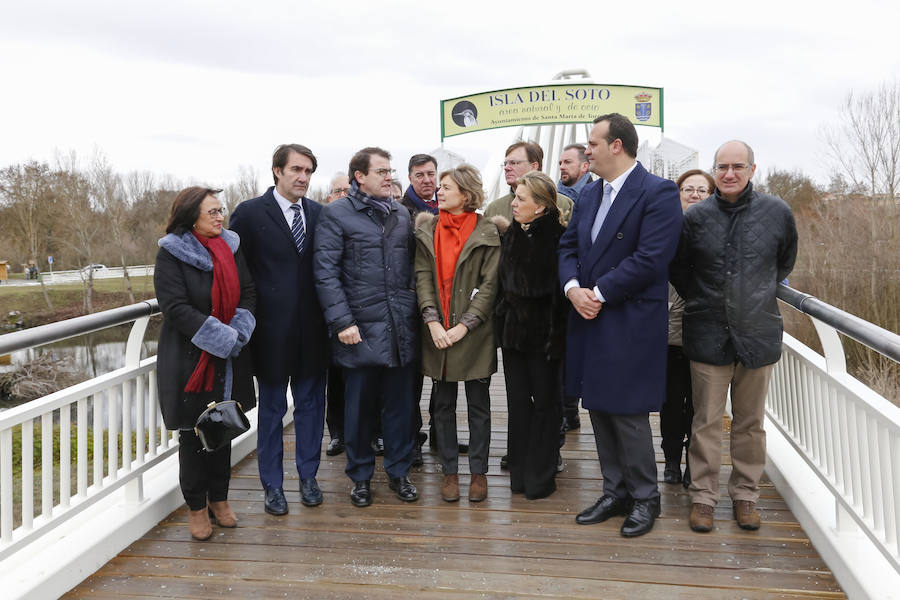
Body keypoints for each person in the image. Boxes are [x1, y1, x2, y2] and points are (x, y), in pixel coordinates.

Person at [558, 113, 682, 537]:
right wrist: (573, 288)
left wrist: (599, 293)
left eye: (592, 143)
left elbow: (651, 258)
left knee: (627, 413)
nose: (585, 150)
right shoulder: (589, 195)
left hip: (627, 317)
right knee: (597, 407)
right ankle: (615, 491)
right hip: (588, 316)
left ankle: (646, 498)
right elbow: (569, 246)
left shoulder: (658, 192)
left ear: (617, 145)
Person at [671, 141, 797, 533]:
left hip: (757, 331)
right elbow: (680, 270)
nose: (729, 173)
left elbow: (784, 260)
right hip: (708, 330)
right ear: (714, 170)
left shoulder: (776, 212)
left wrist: (752, 296)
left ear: (752, 169)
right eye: (722, 166)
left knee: (750, 422)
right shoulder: (696, 218)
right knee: (706, 419)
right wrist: (709, 300)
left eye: (737, 166)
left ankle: (745, 495)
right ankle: (704, 498)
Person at [314, 146, 420, 507]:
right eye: (381, 171)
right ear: (359, 176)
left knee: (400, 407)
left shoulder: (401, 215)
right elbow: (326, 273)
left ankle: (399, 472)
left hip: (400, 327)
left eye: (390, 171)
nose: (389, 177)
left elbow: (410, 269)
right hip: (358, 328)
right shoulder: (336, 215)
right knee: (358, 410)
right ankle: (359, 477)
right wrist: (342, 320)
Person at [229, 144, 329, 515]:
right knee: (271, 412)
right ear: (277, 171)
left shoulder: (320, 214)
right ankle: (272, 485)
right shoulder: (250, 214)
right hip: (269, 334)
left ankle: (308, 477)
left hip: (314, 333)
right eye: (297, 170)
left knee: (311, 409)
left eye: (308, 172)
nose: (303, 178)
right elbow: (237, 272)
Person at [154, 186, 256, 540]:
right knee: (192, 435)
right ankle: (197, 508)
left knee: (223, 428)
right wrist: (221, 337)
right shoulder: (172, 253)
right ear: (191, 217)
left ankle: (220, 500)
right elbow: (175, 307)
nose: (220, 217)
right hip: (189, 359)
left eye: (220, 210)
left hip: (230, 356)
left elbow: (248, 292)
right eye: (212, 211)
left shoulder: (231, 246)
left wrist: (238, 333)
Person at [414, 164, 500, 503]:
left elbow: (490, 285)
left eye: (447, 186)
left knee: (479, 405)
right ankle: (450, 471)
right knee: (442, 406)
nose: (439, 190)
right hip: (438, 331)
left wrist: (464, 325)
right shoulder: (427, 230)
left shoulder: (488, 231)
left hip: (475, 334)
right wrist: (433, 323)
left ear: (465, 193)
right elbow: (422, 277)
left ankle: (478, 473)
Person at [493, 170, 567, 500]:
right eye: (514, 198)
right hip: (513, 338)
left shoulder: (559, 238)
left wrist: (556, 338)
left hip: (545, 339)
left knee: (546, 406)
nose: (514, 203)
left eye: (521, 199)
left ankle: (541, 474)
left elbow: (556, 294)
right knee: (518, 404)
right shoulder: (513, 235)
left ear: (540, 206)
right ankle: (520, 472)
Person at [661, 169, 716, 486]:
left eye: (702, 190)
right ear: (678, 193)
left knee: (700, 405)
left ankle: (693, 463)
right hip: (669, 331)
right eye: (688, 189)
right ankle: (670, 460)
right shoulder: (664, 228)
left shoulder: (717, 229)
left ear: (711, 195)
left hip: (706, 329)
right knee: (671, 400)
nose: (695, 195)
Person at [323, 172, 351, 456]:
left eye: (347, 190)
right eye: (337, 191)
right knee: (335, 377)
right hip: (329, 314)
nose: (342, 195)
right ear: (329, 197)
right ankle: (337, 433)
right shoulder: (324, 221)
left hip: (358, 312)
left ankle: (364, 432)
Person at [484, 141, 574, 224]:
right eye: (505, 163)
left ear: (534, 166)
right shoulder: (494, 209)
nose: (506, 168)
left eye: (514, 163)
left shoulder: (564, 204)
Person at [400, 154, 439, 218]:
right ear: (410, 179)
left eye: (430, 174)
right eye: (419, 175)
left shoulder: (453, 204)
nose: (427, 180)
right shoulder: (399, 211)